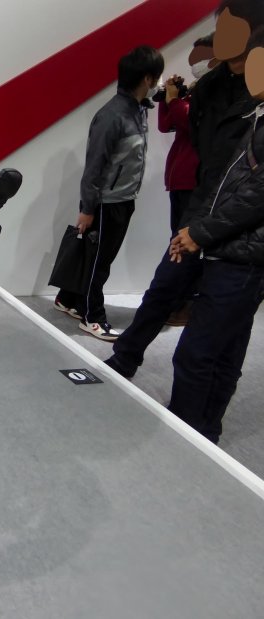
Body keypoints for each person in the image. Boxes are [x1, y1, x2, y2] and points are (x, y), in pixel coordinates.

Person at [105, 0, 264, 376]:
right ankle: (125, 356)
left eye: (232, 28)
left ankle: (204, 411)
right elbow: (193, 139)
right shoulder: (210, 86)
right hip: (201, 201)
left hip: (244, 228)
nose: (221, 36)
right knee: (165, 286)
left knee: (225, 327)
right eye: (220, 27)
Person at [165, 24, 264, 443]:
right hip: (234, 253)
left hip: (242, 257)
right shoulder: (255, 118)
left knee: (198, 353)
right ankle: (204, 433)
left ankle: (189, 439)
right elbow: (228, 184)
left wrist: (200, 232)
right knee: (222, 351)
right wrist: (196, 229)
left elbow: (255, 197)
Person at [54, 45, 164, 342]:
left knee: (97, 256)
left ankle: (68, 299)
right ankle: (92, 317)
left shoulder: (138, 110)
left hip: (123, 199)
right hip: (107, 202)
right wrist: (88, 208)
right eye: (156, 77)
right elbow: (94, 166)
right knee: (98, 262)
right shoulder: (113, 115)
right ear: (147, 78)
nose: (158, 83)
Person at [157, 34, 215, 326]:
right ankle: (175, 302)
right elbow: (166, 124)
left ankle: (186, 304)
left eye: (201, 59)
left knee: (188, 244)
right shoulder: (195, 90)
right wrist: (169, 98)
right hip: (180, 179)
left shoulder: (217, 92)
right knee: (176, 241)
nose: (196, 65)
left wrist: (175, 100)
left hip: (197, 181)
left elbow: (194, 122)